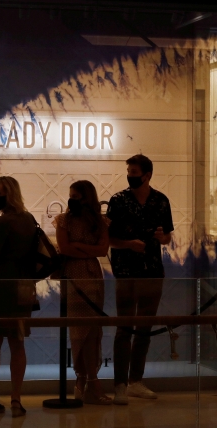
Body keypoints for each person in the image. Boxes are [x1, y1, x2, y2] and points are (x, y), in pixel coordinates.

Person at [107, 154, 174, 405]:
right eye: (129, 171)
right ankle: (120, 385)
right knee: (124, 327)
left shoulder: (161, 201)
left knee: (144, 328)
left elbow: (168, 237)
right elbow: (108, 239)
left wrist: (161, 237)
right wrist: (127, 245)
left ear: (147, 175)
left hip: (153, 270)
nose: (130, 175)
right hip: (125, 271)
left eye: (134, 172)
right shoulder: (118, 200)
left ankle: (136, 380)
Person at [0, 176, 37, 418]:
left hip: (1, 285)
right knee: (18, 341)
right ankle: (16, 398)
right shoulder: (29, 219)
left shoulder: (3, 222)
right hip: (24, 284)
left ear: (9, 193)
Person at [55, 180, 111, 404]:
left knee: (93, 330)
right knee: (78, 330)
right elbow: (64, 248)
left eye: (76, 196)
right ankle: (83, 379)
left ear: (87, 198)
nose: (72, 201)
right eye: (70, 196)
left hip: (93, 278)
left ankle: (91, 380)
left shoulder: (101, 222)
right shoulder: (63, 220)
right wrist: (87, 250)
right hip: (72, 277)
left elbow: (103, 250)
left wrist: (79, 247)